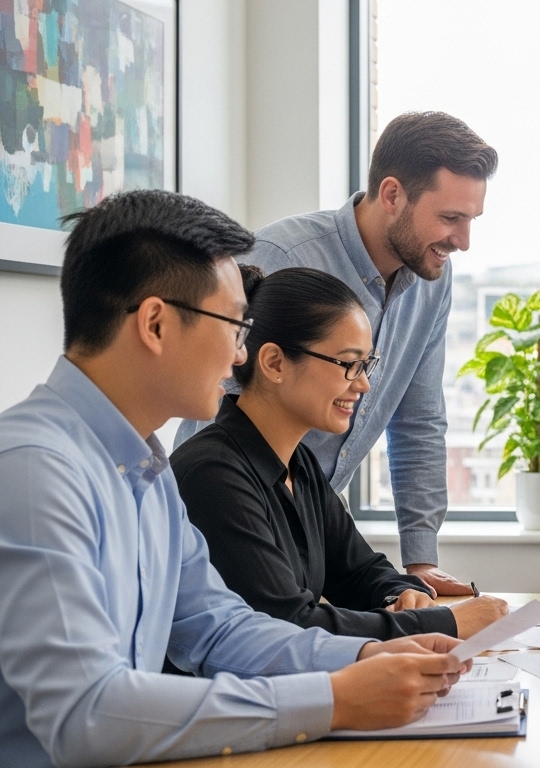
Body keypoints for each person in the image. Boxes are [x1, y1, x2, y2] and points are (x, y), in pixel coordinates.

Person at [0, 191, 473, 768]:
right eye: (232, 325)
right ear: (155, 323)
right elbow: (87, 715)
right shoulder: (36, 469)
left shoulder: (144, 472)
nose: (239, 354)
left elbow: (218, 628)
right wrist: (332, 698)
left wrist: (368, 654)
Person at [177, 111, 496, 596]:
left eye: (470, 220)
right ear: (392, 195)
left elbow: (419, 419)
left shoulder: (433, 279)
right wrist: (225, 504)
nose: (464, 241)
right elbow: (215, 395)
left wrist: (420, 561)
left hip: (312, 519)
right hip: (224, 520)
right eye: (450, 218)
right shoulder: (281, 259)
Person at [172, 266, 509, 641]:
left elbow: (359, 572)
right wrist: (445, 622)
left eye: (366, 364)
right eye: (349, 364)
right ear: (275, 363)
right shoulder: (213, 475)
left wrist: (401, 592)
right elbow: (288, 625)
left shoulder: (299, 464)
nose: (363, 384)